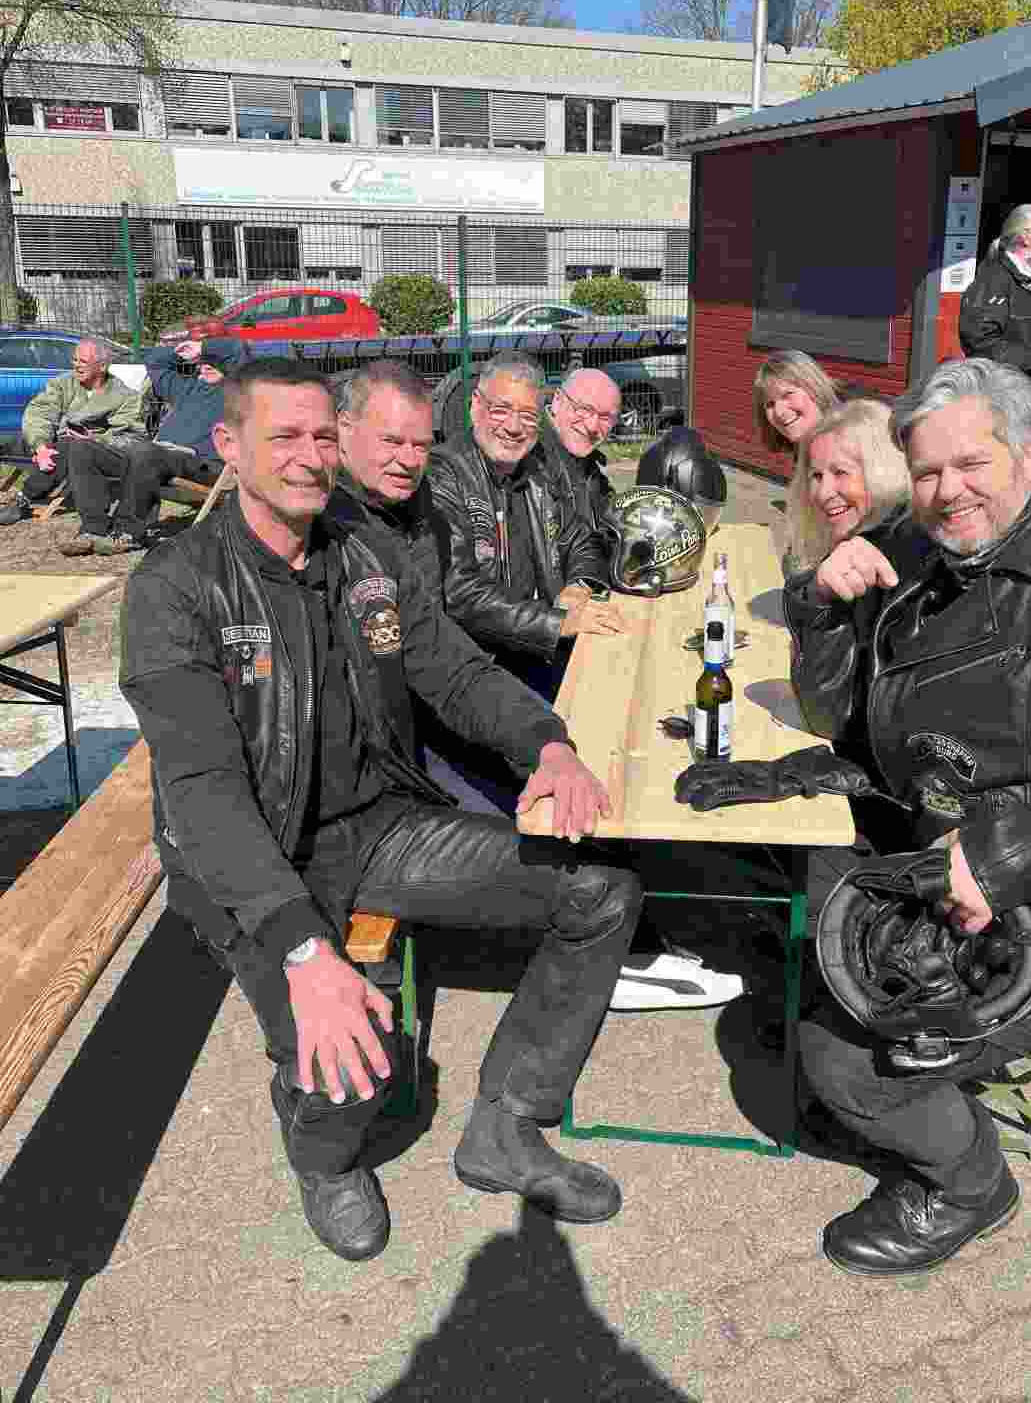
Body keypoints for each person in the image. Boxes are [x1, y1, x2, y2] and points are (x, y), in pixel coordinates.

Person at [119, 356, 642, 1263]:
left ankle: (507, 1127)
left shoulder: (366, 551)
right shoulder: (177, 586)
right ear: (228, 445)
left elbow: (457, 672)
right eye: (285, 436)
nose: (310, 456)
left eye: (322, 436)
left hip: (382, 827)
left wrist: (549, 745)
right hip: (260, 867)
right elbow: (204, 792)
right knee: (360, 1060)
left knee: (600, 889)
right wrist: (304, 951)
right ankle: (323, 1155)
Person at [772, 356, 1031, 1276]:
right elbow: (837, 717)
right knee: (808, 908)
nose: (947, 491)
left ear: (1029, 455)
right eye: (927, 471)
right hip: (958, 855)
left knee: (845, 1060)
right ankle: (887, 1095)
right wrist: (819, 606)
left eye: (972, 463)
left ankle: (969, 1186)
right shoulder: (926, 550)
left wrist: (1008, 862)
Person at [425, 354, 622, 703]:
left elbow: (581, 540)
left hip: (536, 652)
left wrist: (577, 587)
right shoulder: (444, 474)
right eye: (501, 410)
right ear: (475, 406)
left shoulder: (536, 469)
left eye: (528, 416)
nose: (514, 427)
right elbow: (461, 593)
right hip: (477, 669)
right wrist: (556, 623)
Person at [89, 336, 241, 554]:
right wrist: (182, 351)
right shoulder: (186, 388)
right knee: (84, 448)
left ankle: (128, 533)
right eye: (202, 362)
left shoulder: (239, 391)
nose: (206, 365)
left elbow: (238, 350)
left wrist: (203, 348)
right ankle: (93, 529)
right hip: (161, 456)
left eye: (213, 361)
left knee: (146, 452)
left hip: (202, 464)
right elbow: (155, 362)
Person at [958, 203, 1031, 467]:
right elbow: (980, 344)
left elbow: (1029, 333)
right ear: (1025, 236)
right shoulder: (994, 279)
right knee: (1014, 475)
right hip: (1008, 403)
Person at [0, 338, 145, 551]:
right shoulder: (62, 384)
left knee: (72, 445)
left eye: (83, 361)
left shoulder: (124, 396)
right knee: (57, 444)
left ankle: (24, 499)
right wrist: (41, 446)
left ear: (102, 366)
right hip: (51, 443)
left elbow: (130, 436)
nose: (76, 365)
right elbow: (39, 414)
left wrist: (94, 439)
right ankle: (26, 499)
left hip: (94, 452)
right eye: (74, 360)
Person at [328, 359, 443, 594]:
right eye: (391, 441)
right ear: (345, 428)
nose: (410, 461)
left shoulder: (426, 498)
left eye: (421, 445)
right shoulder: (314, 519)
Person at [784, 398, 912, 574]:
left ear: (883, 471)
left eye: (840, 472)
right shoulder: (818, 548)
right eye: (817, 475)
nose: (823, 493)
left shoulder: (912, 561)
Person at [750, 354, 840, 576]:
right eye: (770, 404)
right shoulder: (806, 445)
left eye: (787, 394)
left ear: (814, 387)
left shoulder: (847, 441)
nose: (779, 412)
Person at [541, 366, 621, 538]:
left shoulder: (587, 464)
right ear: (557, 401)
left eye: (605, 417)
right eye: (584, 409)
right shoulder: (526, 460)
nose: (592, 427)